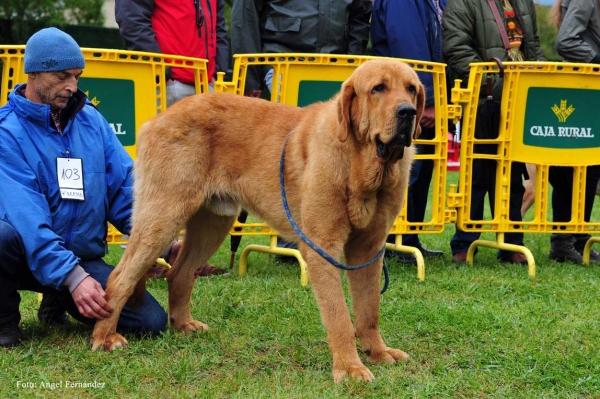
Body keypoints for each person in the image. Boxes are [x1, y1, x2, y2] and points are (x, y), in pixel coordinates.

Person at [0, 28, 169, 348]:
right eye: (63, 76)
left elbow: (125, 189)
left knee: (150, 322)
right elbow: (29, 223)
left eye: (77, 76)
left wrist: (159, 238)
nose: (72, 87)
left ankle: (59, 297)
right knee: (1, 235)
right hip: (26, 259)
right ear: (33, 73)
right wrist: (74, 280)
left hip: (81, 260)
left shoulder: (93, 122)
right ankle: (5, 320)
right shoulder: (6, 132)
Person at [231, 0, 372, 261]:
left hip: (334, 67)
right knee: (289, 154)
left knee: (331, 155)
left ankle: (328, 233)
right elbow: (245, 14)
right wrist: (251, 75)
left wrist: (352, 64)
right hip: (281, 62)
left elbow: (360, 15)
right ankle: (290, 237)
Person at [115, 0, 230, 275]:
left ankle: (186, 256)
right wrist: (161, 67)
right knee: (160, 181)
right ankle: (146, 258)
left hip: (205, 83)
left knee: (194, 181)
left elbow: (219, 28)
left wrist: (219, 72)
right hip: (168, 83)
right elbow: (131, 16)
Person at [442, 0, 547, 264]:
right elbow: (456, 49)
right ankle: (465, 244)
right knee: (475, 175)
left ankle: (512, 244)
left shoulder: (523, 2)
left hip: (519, 100)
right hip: (481, 99)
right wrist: (492, 82)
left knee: (512, 176)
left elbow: (533, 47)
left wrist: (544, 79)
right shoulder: (463, 2)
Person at [371, 0, 446, 264]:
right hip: (405, 98)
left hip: (415, 94)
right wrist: (425, 99)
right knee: (407, 168)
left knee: (419, 168)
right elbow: (409, 46)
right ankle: (396, 240)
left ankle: (409, 237)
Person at [546, 0, 600, 263]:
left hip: (589, 91)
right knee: (574, 169)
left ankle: (578, 239)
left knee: (590, 169)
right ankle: (563, 242)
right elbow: (566, 41)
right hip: (582, 89)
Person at [115, 0, 230, 106]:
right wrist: (162, 73)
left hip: (207, 86)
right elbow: (132, 20)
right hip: (167, 87)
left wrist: (218, 72)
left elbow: (218, 24)